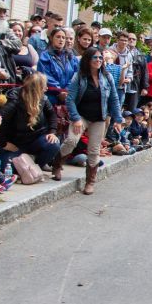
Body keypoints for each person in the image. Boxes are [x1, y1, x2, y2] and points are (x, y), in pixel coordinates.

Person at [62, 47, 122, 195]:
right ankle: (57, 163)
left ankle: (90, 182)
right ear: (88, 60)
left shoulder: (107, 77)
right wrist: (76, 118)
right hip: (81, 116)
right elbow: (70, 99)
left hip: (99, 118)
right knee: (71, 141)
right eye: (95, 57)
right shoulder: (79, 76)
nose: (98, 60)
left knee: (94, 151)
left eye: (100, 58)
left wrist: (118, 119)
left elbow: (114, 99)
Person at [0, 72, 60, 178]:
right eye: (44, 86)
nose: (47, 88)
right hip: (15, 143)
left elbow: (52, 115)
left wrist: (52, 132)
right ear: (36, 88)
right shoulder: (15, 99)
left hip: (36, 139)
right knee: (7, 166)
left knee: (53, 144)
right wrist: (3, 143)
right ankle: (26, 164)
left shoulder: (43, 99)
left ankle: (36, 167)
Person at [36, 27, 78, 105]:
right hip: (51, 97)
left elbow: (76, 74)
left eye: (63, 38)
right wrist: (59, 92)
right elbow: (46, 76)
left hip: (68, 96)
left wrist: (67, 90)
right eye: (58, 37)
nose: (61, 40)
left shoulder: (71, 56)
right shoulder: (45, 56)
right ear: (51, 38)